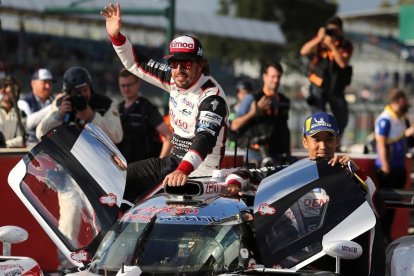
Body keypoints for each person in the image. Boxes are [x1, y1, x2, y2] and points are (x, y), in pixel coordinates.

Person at [225, 112, 385, 276]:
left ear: (337, 141)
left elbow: (378, 209)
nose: (323, 146)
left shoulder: (348, 173)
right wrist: (233, 186)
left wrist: (357, 171)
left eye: (329, 139)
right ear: (305, 142)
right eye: (316, 139)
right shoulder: (290, 174)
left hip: (339, 261)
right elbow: (242, 175)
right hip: (297, 263)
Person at [101, 3, 229, 203]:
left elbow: (204, 139)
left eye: (186, 63)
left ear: (200, 65)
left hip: (200, 174)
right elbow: (137, 63)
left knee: (164, 212)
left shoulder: (212, 97)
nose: (179, 70)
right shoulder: (173, 78)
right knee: (119, 177)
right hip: (173, 163)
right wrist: (116, 36)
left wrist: (183, 170)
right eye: (173, 63)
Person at [36, 66, 123, 144]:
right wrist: (59, 116)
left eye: (85, 90)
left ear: (90, 88)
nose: (81, 95)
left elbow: (117, 137)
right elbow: (40, 133)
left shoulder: (105, 104)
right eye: (77, 92)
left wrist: (92, 118)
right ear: (68, 93)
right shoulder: (61, 103)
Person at [300, 15, 353, 136]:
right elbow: (304, 51)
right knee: (319, 116)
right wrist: (319, 38)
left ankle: (335, 140)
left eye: (335, 30)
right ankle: (320, 138)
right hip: (319, 84)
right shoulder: (320, 42)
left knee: (342, 118)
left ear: (340, 30)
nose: (332, 33)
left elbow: (342, 63)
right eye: (330, 29)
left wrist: (332, 46)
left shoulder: (345, 45)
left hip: (336, 86)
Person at [229, 63, 290, 167]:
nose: (276, 80)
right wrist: (254, 113)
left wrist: (288, 154)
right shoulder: (252, 98)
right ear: (265, 77)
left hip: (276, 156)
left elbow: (285, 129)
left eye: (279, 77)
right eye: (273, 76)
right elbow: (234, 125)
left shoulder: (284, 101)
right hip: (254, 155)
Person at [374, 88, 414, 243]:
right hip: (387, 169)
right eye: (403, 100)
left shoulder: (403, 119)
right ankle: (382, 236)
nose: (406, 103)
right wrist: (385, 166)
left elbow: (407, 142)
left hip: (400, 167)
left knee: (395, 206)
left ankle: (387, 235)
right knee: (384, 205)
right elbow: (381, 144)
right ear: (397, 100)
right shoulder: (385, 119)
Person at [117, 67, 172, 163]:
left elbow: (169, 137)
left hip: (143, 170)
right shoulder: (118, 109)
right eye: (123, 85)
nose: (126, 88)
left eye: (129, 85)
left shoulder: (147, 108)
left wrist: (158, 167)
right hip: (122, 169)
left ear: (138, 84)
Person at [18, 68, 55, 145]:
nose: (48, 86)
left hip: (52, 145)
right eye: (44, 82)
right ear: (33, 83)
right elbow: (27, 124)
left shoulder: (53, 100)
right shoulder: (24, 102)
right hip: (32, 147)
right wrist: (52, 107)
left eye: (50, 83)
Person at [0, 76, 26, 148]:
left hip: (9, 153)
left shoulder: (20, 113)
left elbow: (21, 138)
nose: (15, 94)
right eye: (12, 90)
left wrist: (5, 144)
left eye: (16, 91)